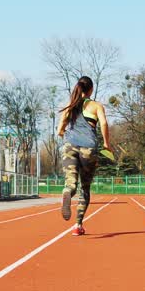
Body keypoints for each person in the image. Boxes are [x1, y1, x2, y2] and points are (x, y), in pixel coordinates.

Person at [55, 75, 112, 235]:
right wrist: (107, 144)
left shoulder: (70, 105)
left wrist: (65, 136)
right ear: (91, 89)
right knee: (85, 188)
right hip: (89, 148)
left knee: (71, 183)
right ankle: (78, 225)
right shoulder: (96, 106)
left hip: (69, 146)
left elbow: (60, 129)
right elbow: (104, 124)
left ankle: (67, 192)